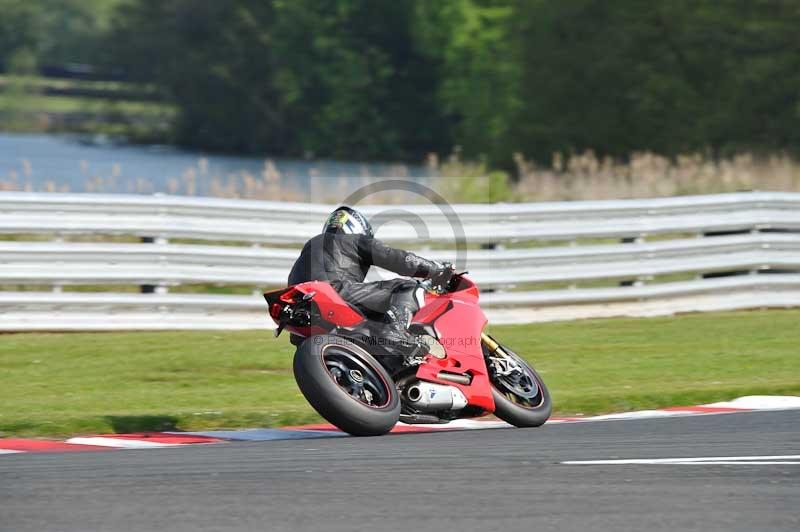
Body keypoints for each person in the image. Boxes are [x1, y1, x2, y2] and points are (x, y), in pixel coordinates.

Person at [288, 206, 455, 346]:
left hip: (298, 305)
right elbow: (399, 259)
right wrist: (436, 269)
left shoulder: (310, 247)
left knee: (375, 315)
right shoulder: (354, 240)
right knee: (407, 287)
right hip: (333, 292)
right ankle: (396, 332)